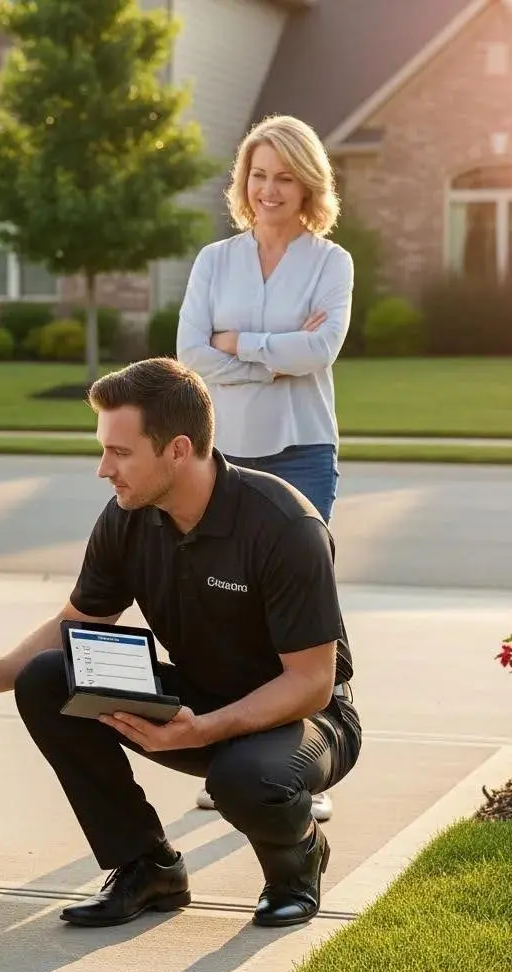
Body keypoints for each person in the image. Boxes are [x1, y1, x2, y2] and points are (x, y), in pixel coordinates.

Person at [0, 357, 362, 930]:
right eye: (104, 450)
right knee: (47, 678)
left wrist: (207, 729)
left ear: (176, 449)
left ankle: (297, 864)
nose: (104, 469)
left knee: (243, 778)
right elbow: (76, 623)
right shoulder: (129, 517)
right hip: (196, 700)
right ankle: (147, 866)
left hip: (306, 718)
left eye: (120, 453)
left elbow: (311, 682)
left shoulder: (283, 526)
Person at [176, 113, 354, 822]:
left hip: (304, 453)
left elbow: (322, 352)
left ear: (307, 184)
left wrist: (240, 344)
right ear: (244, 181)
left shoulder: (329, 263)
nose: (270, 188)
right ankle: (233, 759)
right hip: (227, 453)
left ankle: (304, 763)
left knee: (302, 614)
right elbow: (193, 354)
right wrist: (276, 349)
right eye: (260, 174)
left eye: (285, 176)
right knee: (229, 609)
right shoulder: (214, 261)